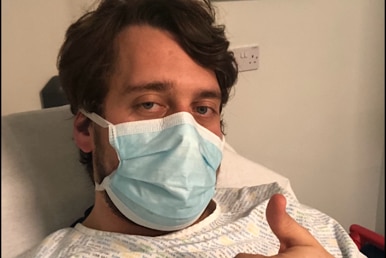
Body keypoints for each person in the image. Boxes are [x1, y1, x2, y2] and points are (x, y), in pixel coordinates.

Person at [19, 0, 364, 257]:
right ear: (84, 129)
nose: (185, 133)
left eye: (202, 109)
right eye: (150, 103)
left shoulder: (287, 218)